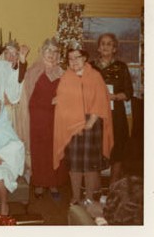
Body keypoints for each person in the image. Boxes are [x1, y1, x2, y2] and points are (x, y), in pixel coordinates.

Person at [53, 47, 114, 206]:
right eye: (70, 59)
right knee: (75, 163)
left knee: (90, 164)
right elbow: (63, 99)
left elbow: (100, 100)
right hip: (71, 125)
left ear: (85, 58)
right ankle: (75, 196)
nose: (74, 61)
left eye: (77, 57)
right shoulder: (66, 77)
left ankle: (89, 197)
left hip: (91, 124)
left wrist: (90, 122)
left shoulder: (95, 76)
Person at [18, 37, 68, 199]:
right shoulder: (33, 71)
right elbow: (28, 97)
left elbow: (69, 95)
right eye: (48, 50)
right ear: (42, 52)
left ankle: (53, 184)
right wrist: (49, 102)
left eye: (55, 51)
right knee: (39, 151)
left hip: (57, 118)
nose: (51, 54)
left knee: (55, 149)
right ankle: (39, 183)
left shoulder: (63, 72)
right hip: (39, 117)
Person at [90, 33, 133, 184]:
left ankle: (113, 187)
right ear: (98, 48)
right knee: (95, 149)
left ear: (114, 48)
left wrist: (114, 97)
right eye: (103, 43)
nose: (106, 46)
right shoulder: (91, 66)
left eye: (109, 44)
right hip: (96, 114)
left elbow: (128, 92)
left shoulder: (121, 67)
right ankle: (94, 189)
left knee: (117, 149)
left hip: (117, 116)